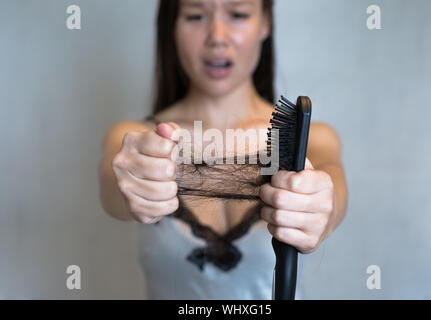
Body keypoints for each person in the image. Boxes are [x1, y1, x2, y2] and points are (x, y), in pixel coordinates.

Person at [98, 0, 348, 299]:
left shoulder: (314, 140)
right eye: (195, 16)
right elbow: (115, 193)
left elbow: (332, 192)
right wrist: (135, 185)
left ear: (265, 22)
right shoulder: (135, 141)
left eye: (238, 14)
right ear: (172, 27)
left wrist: (321, 206)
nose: (217, 35)